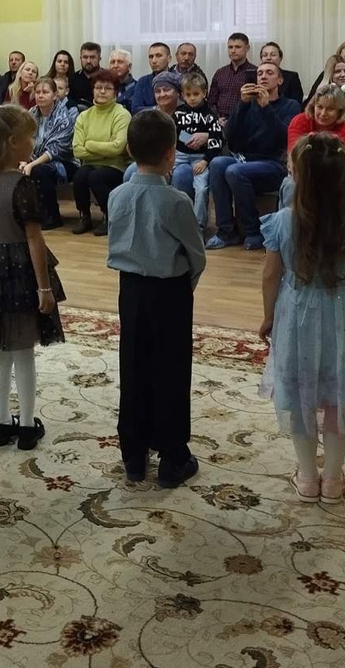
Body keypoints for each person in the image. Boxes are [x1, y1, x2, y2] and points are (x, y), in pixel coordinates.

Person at [259, 133, 345, 505]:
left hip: (296, 315)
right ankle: (333, 479)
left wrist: (268, 317)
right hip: (344, 315)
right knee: (337, 398)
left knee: (301, 398)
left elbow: (270, 275)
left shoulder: (282, 221)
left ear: (297, 176)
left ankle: (308, 476)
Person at [107, 109, 205, 488]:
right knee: (171, 370)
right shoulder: (177, 201)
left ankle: (133, 454)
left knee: (133, 365)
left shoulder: (116, 195)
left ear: (129, 150)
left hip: (130, 291)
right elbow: (196, 255)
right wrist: (185, 288)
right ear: (171, 153)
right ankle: (173, 457)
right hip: (170, 292)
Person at [0, 105, 65, 451]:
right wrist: (44, 287)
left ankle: (1, 422)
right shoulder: (22, 184)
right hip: (21, 274)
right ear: (12, 142)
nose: (33, 142)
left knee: (1, 350)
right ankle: (26, 426)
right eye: (30, 137)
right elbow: (34, 239)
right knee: (23, 351)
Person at [206, 62, 300, 251]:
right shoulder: (247, 105)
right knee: (217, 163)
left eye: (269, 73)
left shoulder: (291, 105)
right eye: (260, 73)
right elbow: (229, 136)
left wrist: (266, 108)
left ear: (280, 80)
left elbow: (283, 138)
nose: (263, 76)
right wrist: (241, 104)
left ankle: (253, 231)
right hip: (245, 160)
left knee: (234, 171)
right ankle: (226, 231)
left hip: (275, 163)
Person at [278, 83, 345, 207]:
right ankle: (288, 219)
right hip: (301, 174)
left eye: (330, 109)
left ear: (340, 111)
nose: (323, 113)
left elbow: (342, 167)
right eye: (319, 107)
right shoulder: (299, 121)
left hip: (333, 178)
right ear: (313, 105)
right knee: (290, 186)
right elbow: (294, 159)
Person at [71, 73, 131, 236]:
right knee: (80, 175)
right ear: (92, 90)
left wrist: (89, 144)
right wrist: (105, 150)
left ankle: (109, 216)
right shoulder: (84, 116)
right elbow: (77, 150)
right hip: (92, 164)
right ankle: (84, 217)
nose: (102, 91)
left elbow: (118, 148)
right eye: (98, 87)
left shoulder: (122, 114)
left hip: (116, 166)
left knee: (96, 177)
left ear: (115, 92)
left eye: (108, 88)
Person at [24, 77, 78, 230]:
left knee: (39, 171)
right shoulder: (31, 113)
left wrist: (31, 164)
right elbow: (24, 139)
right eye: (37, 92)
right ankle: (25, 215)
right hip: (35, 159)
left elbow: (56, 150)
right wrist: (24, 160)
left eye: (45, 92)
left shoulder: (63, 116)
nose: (40, 95)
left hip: (64, 162)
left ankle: (52, 217)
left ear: (55, 95)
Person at [170, 73, 222, 233]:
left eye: (196, 94)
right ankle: (174, 224)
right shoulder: (178, 113)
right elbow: (171, 135)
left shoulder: (210, 114)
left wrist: (206, 160)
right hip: (178, 156)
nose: (192, 98)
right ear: (182, 95)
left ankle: (199, 226)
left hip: (201, 159)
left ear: (204, 93)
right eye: (188, 94)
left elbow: (217, 140)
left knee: (201, 189)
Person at [208, 32, 255, 118]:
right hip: (220, 119)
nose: (233, 51)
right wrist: (217, 118)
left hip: (244, 120)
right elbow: (211, 101)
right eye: (230, 47)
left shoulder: (255, 72)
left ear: (247, 48)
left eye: (238, 47)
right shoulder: (220, 72)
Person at [131, 42, 172, 112]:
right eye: (151, 57)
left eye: (159, 56)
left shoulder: (177, 80)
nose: (154, 61)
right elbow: (135, 109)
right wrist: (156, 109)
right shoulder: (143, 82)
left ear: (169, 58)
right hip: (148, 118)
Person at [69, 42, 103, 109]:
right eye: (85, 57)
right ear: (80, 58)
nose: (88, 61)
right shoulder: (72, 79)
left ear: (99, 59)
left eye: (92, 57)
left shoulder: (107, 78)